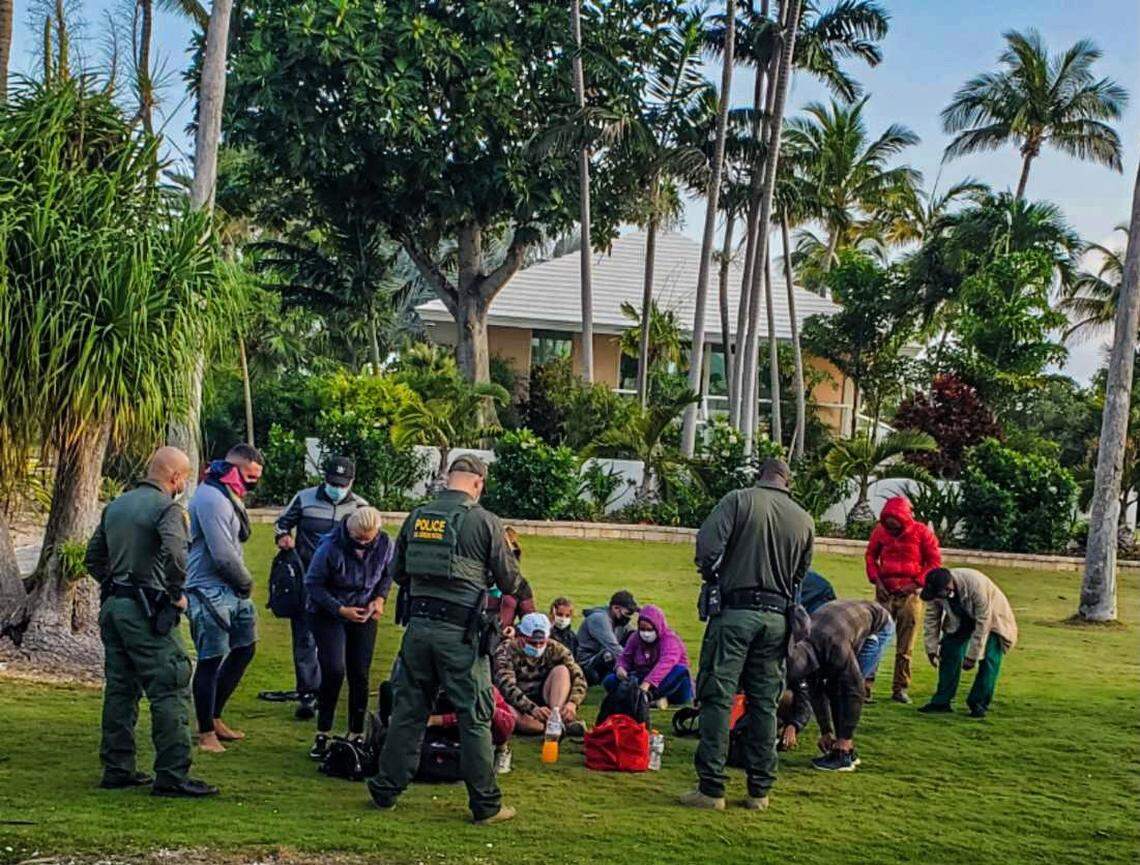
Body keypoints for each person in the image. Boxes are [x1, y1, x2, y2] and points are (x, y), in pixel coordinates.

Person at [367, 455, 521, 825]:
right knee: (475, 716)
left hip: (418, 629)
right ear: (478, 483)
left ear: (448, 478)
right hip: (460, 636)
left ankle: (386, 790)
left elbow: (398, 571)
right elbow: (511, 580)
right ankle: (485, 804)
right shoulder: (485, 521)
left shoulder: (418, 516)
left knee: (408, 711)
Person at [683, 458, 814, 812]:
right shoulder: (803, 518)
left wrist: (716, 575)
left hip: (735, 613)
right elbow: (802, 572)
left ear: (761, 476)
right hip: (777, 620)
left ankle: (712, 788)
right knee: (765, 704)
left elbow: (707, 548)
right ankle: (759, 790)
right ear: (787, 482)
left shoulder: (739, 500)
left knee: (718, 695)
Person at [85, 447, 217, 798]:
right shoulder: (167, 509)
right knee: (171, 684)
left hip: (115, 607)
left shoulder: (117, 505)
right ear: (176, 478)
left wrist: (116, 585)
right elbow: (176, 552)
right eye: (185, 478)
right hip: (146, 611)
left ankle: (117, 768)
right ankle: (173, 774)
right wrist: (174, 592)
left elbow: (92, 557)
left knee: (120, 689)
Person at [271, 455, 368, 719]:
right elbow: (282, 523)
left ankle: (328, 690)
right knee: (304, 637)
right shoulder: (304, 498)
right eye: (332, 482)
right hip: (306, 580)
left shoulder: (360, 508)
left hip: (341, 588)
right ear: (324, 479)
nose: (336, 487)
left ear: (351, 482)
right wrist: (283, 537)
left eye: (342, 483)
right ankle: (307, 693)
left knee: (334, 644)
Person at [185, 443, 264, 753]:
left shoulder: (227, 496)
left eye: (257, 476)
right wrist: (245, 582)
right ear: (233, 468)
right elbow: (221, 554)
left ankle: (214, 715)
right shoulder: (210, 498)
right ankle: (205, 732)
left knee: (245, 647)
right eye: (249, 475)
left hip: (230, 588)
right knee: (210, 658)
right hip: (208, 589)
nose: (252, 482)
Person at [304, 507, 394, 759]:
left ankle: (357, 733)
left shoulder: (385, 544)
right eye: (359, 538)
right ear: (349, 530)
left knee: (360, 673)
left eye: (369, 538)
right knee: (334, 670)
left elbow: (388, 574)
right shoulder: (329, 547)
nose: (364, 543)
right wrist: (340, 609)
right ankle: (323, 732)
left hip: (364, 611)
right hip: (328, 611)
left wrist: (379, 599)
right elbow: (312, 584)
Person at [785, 600, 893, 772]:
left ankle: (844, 753)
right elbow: (815, 690)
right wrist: (826, 730)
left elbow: (854, 689)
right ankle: (842, 745)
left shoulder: (833, 644)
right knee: (834, 686)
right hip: (842, 622)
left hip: (878, 626)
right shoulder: (802, 646)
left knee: (844, 688)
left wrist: (842, 737)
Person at [864, 495, 942, 704]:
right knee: (874, 640)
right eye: (889, 527)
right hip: (886, 592)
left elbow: (934, 562)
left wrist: (916, 583)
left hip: (910, 594)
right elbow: (871, 555)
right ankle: (865, 686)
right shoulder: (880, 531)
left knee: (905, 645)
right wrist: (877, 581)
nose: (892, 531)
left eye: (896, 527)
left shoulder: (922, 532)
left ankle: (900, 687)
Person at [918, 567, 1019, 719]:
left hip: (992, 619)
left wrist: (972, 656)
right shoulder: (936, 590)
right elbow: (932, 618)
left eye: (939, 595)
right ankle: (941, 702)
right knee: (949, 651)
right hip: (960, 620)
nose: (937, 599)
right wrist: (931, 648)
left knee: (990, 659)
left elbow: (983, 623)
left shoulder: (975, 585)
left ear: (948, 587)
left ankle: (979, 703)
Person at [493, 613, 588, 737]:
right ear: (521, 637)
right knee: (526, 723)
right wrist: (532, 709)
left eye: (541, 642)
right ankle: (556, 726)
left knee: (562, 671)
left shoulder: (556, 648)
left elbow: (578, 676)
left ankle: (555, 718)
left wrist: (573, 703)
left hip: (546, 697)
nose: (537, 646)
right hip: (517, 703)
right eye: (532, 643)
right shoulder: (505, 651)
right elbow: (507, 687)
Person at [604, 604, 692, 709]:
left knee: (680, 670)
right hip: (644, 677)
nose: (646, 633)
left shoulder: (670, 640)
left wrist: (647, 683)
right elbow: (625, 657)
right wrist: (620, 667)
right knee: (610, 680)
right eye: (642, 629)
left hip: (670, 684)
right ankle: (646, 698)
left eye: (649, 629)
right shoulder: (635, 638)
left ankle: (647, 697)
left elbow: (665, 664)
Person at [427, 685, 516, 774]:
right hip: (448, 730)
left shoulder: (480, 684)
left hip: (478, 725)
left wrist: (438, 720)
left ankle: (501, 750)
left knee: (494, 714)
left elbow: (478, 712)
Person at [575, 590, 639, 685]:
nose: (629, 618)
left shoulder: (618, 620)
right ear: (616, 608)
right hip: (587, 663)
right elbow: (614, 647)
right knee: (609, 654)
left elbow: (634, 636)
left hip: (602, 657)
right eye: (627, 613)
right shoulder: (599, 619)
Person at [484, 530, 537, 630]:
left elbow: (531, 623)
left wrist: (514, 631)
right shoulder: (478, 577)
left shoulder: (520, 585)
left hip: (503, 640)